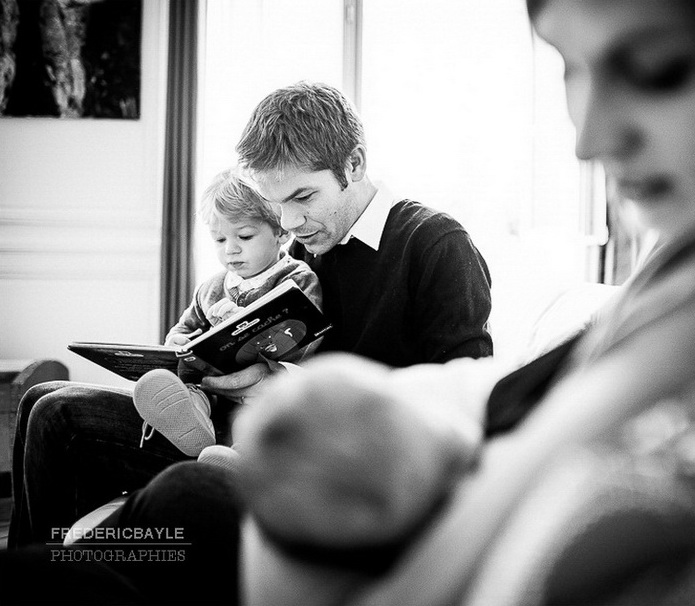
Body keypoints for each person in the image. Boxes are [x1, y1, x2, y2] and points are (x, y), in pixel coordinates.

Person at [4, 1, 695, 604]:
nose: (590, 132)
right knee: (64, 424)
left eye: (664, 68)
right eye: (570, 67)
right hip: (345, 454)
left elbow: (484, 423)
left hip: (373, 494)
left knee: (178, 504)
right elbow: (494, 404)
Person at [7, 81, 493, 550]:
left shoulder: (434, 245)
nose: (289, 224)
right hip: (235, 428)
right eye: (275, 205)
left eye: (302, 197)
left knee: (61, 419)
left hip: (328, 463)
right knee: (44, 402)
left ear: (356, 163)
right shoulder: (305, 245)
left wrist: (294, 389)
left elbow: (468, 404)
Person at [132, 166, 322, 458]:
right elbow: (183, 328)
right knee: (191, 390)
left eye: (244, 237)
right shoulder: (211, 287)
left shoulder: (295, 279)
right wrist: (178, 342)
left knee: (271, 412)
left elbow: (306, 341)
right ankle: (193, 424)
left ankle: (240, 459)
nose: (230, 250)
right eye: (220, 240)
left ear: (281, 232)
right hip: (212, 387)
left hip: (263, 391)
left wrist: (242, 324)